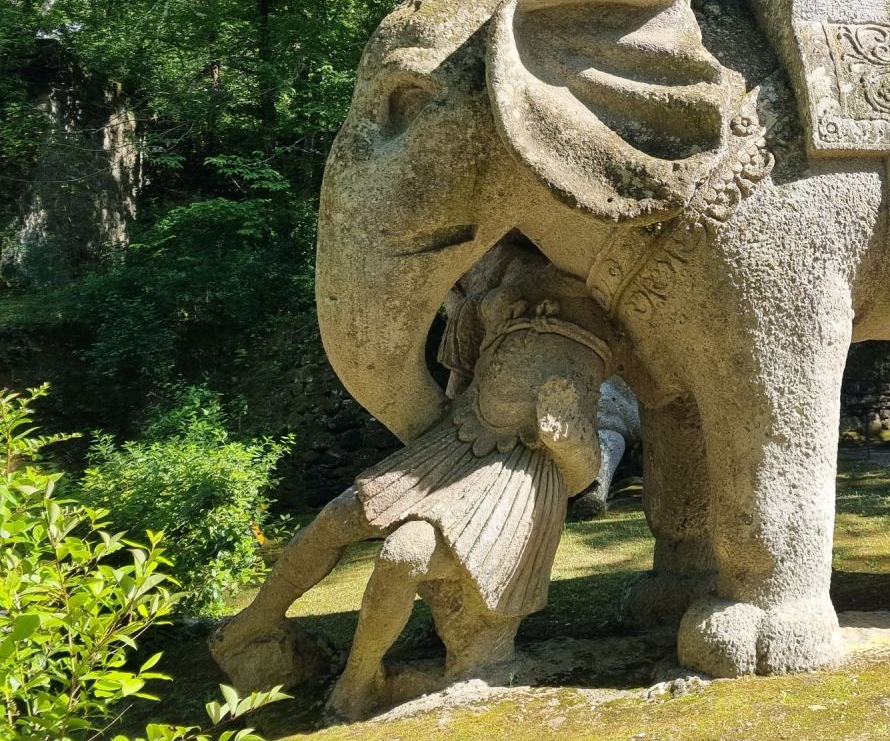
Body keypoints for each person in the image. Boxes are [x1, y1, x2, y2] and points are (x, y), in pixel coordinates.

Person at [210, 260, 613, 721]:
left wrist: (568, 439)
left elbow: (582, 475)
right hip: (452, 443)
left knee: (405, 552)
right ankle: (257, 620)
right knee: (336, 518)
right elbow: (465, 351)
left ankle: (359, 680)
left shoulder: (583, 361)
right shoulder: (499, 306)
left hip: (511, 482)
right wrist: (494, 307)